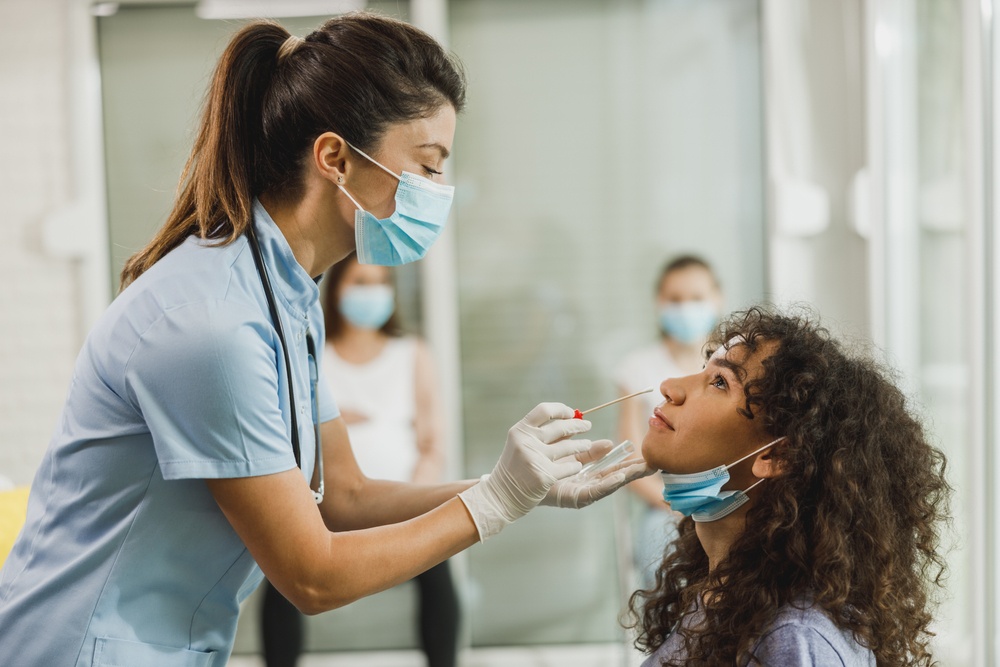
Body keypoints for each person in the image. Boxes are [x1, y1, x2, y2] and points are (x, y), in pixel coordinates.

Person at [0, 14, 649, 666]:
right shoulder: (214, 323)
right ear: (336, 158)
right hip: (79, 647)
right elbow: (311, 574)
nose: (438, 193)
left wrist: (513, 484)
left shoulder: (287, 292)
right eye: (426, 166)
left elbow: (345, 496)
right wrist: (494, 503)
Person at [629, 306, 950, 666]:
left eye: (720, 382)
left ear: (774, 456)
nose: (669, 387)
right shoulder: (723, 593)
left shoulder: (794, 639)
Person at [261, 254, 460, 667]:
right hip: (323, 504)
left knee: (439, 574)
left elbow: (432, 442)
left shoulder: (412, 354)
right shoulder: (314, 354)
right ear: (336, 291)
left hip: (399, 501)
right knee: (282, 578)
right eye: (360, 282)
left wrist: (417, 496)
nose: (371, 292)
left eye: (379, 283)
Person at [614, 255, 723, 587]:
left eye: (696, 298)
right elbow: (631, 461)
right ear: (658, 302)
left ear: (717, 300)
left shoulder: (731, 366)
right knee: (669, 572)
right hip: (665, 508)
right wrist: (680, 506)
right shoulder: (637, 368)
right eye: (675, 299)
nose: (685, 308)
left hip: (732, 499)